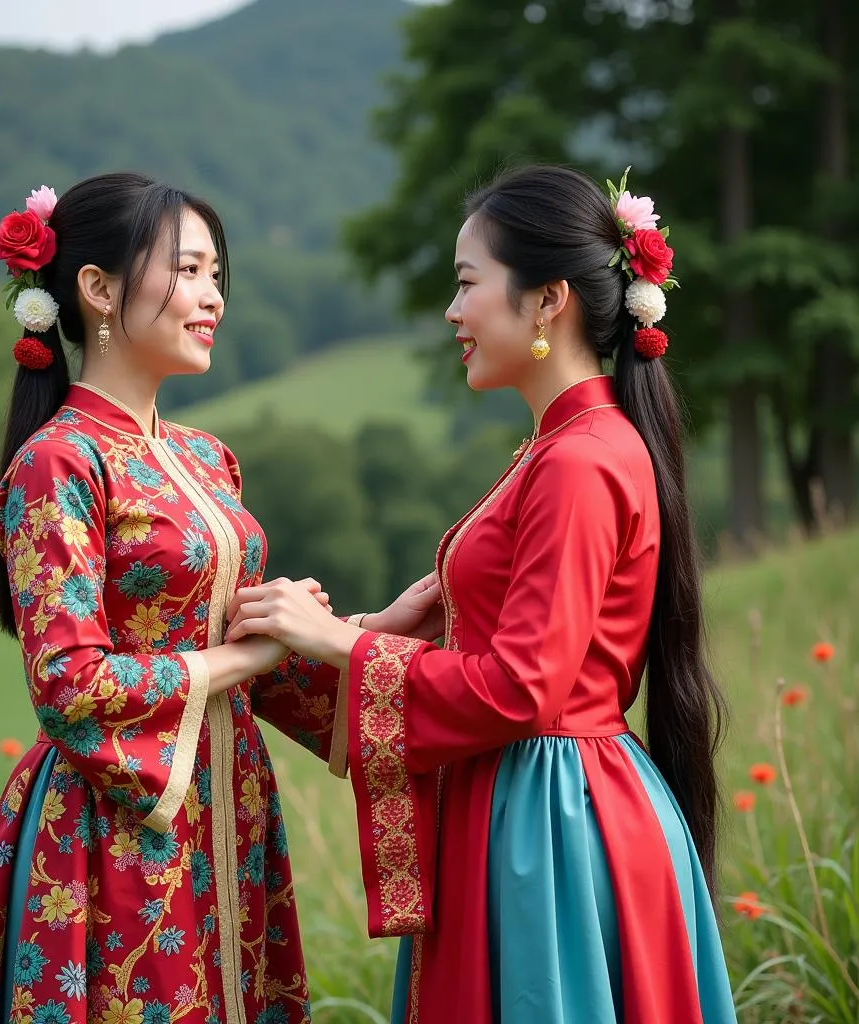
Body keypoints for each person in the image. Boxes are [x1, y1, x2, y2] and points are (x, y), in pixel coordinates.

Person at [226, 165, 739, 1023]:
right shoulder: (563, 447)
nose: (454, 313)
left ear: (547, 301)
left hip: (549, 829)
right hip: (533, 805)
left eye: (468, 285)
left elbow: (524, 685)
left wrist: (344, 644)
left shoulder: (578, 461)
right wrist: (378, 627)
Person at [0, 172, 361, 1024]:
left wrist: (374, 637)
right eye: (188, 271)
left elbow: (259, 647)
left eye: (217, 274)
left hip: (232, 801)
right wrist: (238, 656)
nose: (211, 297)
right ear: (97, 288)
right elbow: (67, 684)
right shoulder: (56, 463)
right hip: (117, 822)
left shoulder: (208, 458)